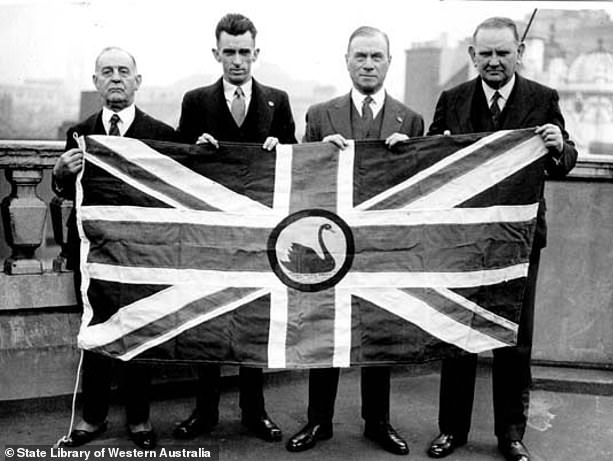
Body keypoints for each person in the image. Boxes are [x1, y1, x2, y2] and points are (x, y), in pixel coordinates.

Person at [425, 17, 577, 461]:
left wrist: (556, 144)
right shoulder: (452, 100)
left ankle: (511, 434)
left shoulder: (542, 98)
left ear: (520, 52)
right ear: (472, 55)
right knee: (457, 334)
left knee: (514, 339)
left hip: (520, 239)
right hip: (463, 241)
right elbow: (431, 159)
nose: (493, 61)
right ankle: (451, 430)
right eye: (485, 53)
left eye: (502, 53)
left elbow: (563, 162)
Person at [286, 26, 424, 455]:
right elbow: (299, 184)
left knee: (378, 331)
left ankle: (377, 422)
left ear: (388, 62)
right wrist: (317, 152)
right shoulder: (320, 116)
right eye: (360, 57)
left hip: (380, 244)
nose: (368, 64)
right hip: (332, 241)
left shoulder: (410, 119)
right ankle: (318, 421)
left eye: (376, 57)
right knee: (324, 327)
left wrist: (408, 156)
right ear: (346, 61)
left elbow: (420, 190)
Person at [173, 13, 296, 442]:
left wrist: (281, 150)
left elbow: (296, 166)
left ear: (256, 53)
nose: (237, 61)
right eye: (229, 52)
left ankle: (254, 412)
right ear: (216, 53)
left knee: (254, 321)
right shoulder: (195, 100)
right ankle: (203, 411)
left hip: (260, 232)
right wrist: (196, 149)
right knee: (208, 321)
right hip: (213, 234)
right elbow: (179, 166)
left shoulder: (277, 101)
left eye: (245, 52)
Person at [54, 47, 176, 449]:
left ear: (138, 81)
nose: (116, 78)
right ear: (95, 81)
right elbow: (68, 191)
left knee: (140, 333)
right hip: (95, 256)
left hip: (142, 255)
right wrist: (59, 174)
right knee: (96, 332)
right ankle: (92, 419)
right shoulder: (79, 132)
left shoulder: (160, 133)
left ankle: (139, 419)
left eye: (124, 71)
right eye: (107, 72)